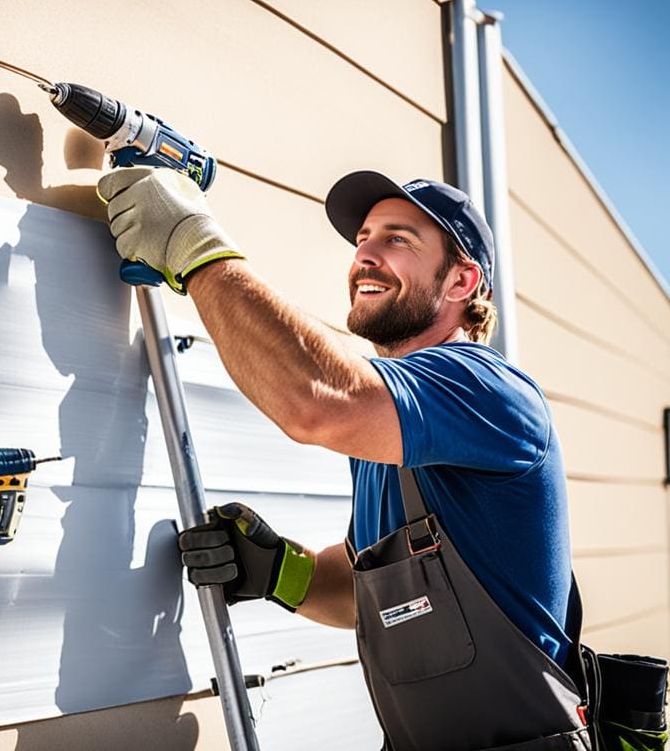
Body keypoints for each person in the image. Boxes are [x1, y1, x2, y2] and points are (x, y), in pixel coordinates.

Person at [96, 167, 591, 750]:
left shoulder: (486, 390)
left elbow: (315, 401)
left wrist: (194, 245)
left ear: (461, 281)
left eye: (397, 240)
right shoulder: (392, 432)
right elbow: (372, 591)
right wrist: (281, 569)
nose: (366, 256)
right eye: (363, 240)